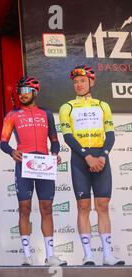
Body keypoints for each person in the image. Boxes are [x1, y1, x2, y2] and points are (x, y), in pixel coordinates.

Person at [59, 65, 124, 266]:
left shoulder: (103, 106)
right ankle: (88, 254)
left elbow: (111, 134)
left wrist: (103, 155)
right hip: (80, 158)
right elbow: (68, 137)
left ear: (91, 82)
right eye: (75, 82)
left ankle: (107, 254)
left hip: (101, 156)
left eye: (82, 81)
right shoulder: (66, 107)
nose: (78, 85)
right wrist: (87, 156)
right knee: (83, 206)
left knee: (102, 206)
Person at [0, 76, 67, 266]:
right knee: (25, 209)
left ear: (34, 92)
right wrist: (12, 152)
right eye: (20, 92)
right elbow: (3, 142)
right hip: (24, 165)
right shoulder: (12, 114)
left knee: (47, 208)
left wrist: (54, 154)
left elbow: (54, 140)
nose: (22, 95)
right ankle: (27, 256)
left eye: (26, 91)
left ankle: (50, 255)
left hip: (44, 165)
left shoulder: (46, 113)